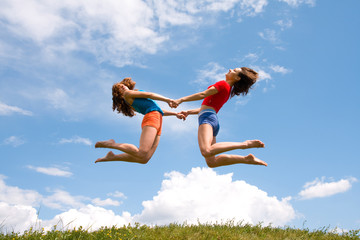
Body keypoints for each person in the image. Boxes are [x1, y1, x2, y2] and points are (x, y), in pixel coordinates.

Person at [174, 67, 267, 168]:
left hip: (207, 118)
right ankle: (245, 159)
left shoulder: (223, 84)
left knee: (206, 150)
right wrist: (188, 112)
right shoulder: (227, 90)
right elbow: (209, 107)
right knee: (212, 162)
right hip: (212, 119)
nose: (230, 69)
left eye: (234, 71)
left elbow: (203, 94)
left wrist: (181, 100)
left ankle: (245, 144)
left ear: (237, 78)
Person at [95, 77, 184, 164]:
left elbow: (159, 110)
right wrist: (168, 100)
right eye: (119, 88)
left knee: (144, 159)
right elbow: (150, 95)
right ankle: (111, 144)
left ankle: (113, 157)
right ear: (119, 94)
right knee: (142, 152)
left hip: (157, 118)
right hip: (152, 118)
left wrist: (175, 114)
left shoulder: (132, 101)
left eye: (122, 85)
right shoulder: (127, 94)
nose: (122, 86)